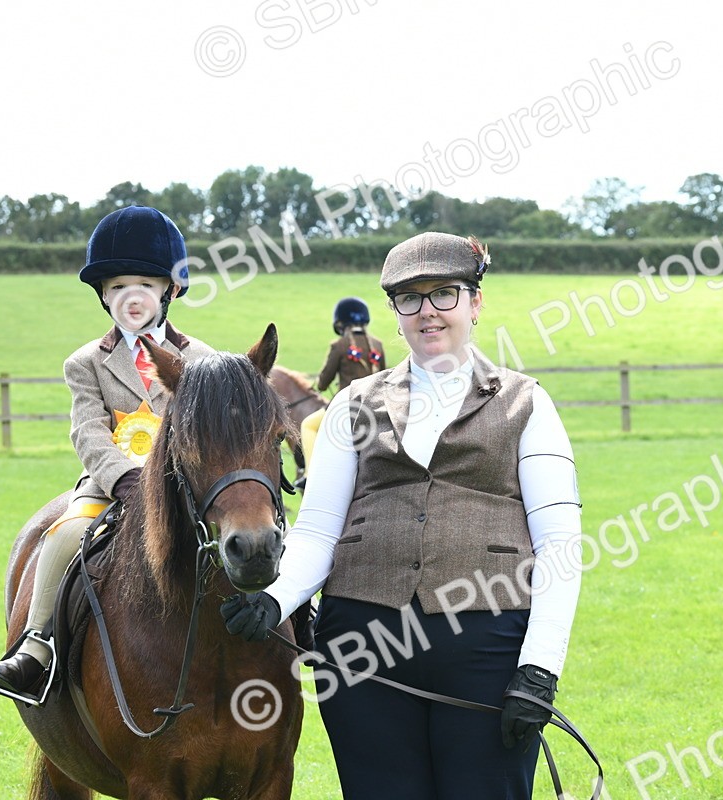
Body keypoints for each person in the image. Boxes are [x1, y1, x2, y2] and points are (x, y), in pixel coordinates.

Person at [221, 232, 583, 799]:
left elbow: (560, 544)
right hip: (362, 650)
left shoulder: (527, 403)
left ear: (476, 301)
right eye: (410, 299)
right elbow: (318, 530)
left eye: (444, 293)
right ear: (395, 312)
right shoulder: (352, 405)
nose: (428, 311)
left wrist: (539, 671)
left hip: (487, 643)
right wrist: (274, 599)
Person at [0, 206, 215, 697]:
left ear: (170, 290)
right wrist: (124, 478)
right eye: (115, 287)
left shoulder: (204, 360)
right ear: (103, 295)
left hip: (189, 483)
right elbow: (86, 431)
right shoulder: (85, 362)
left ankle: (295, 621)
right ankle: (37, 646)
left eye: (144, 285)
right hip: (114, 483)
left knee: (246, 529)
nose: (129, 297)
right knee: (65, 534)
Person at [298, 297, 386, 482]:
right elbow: (383, 377)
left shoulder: (339, 346)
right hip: (375, 407)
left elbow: (324, 382)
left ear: (340, 322)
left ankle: (309, 474)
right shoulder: (377, 345)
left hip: (346, 408)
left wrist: (319, 384)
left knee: (308, 425)